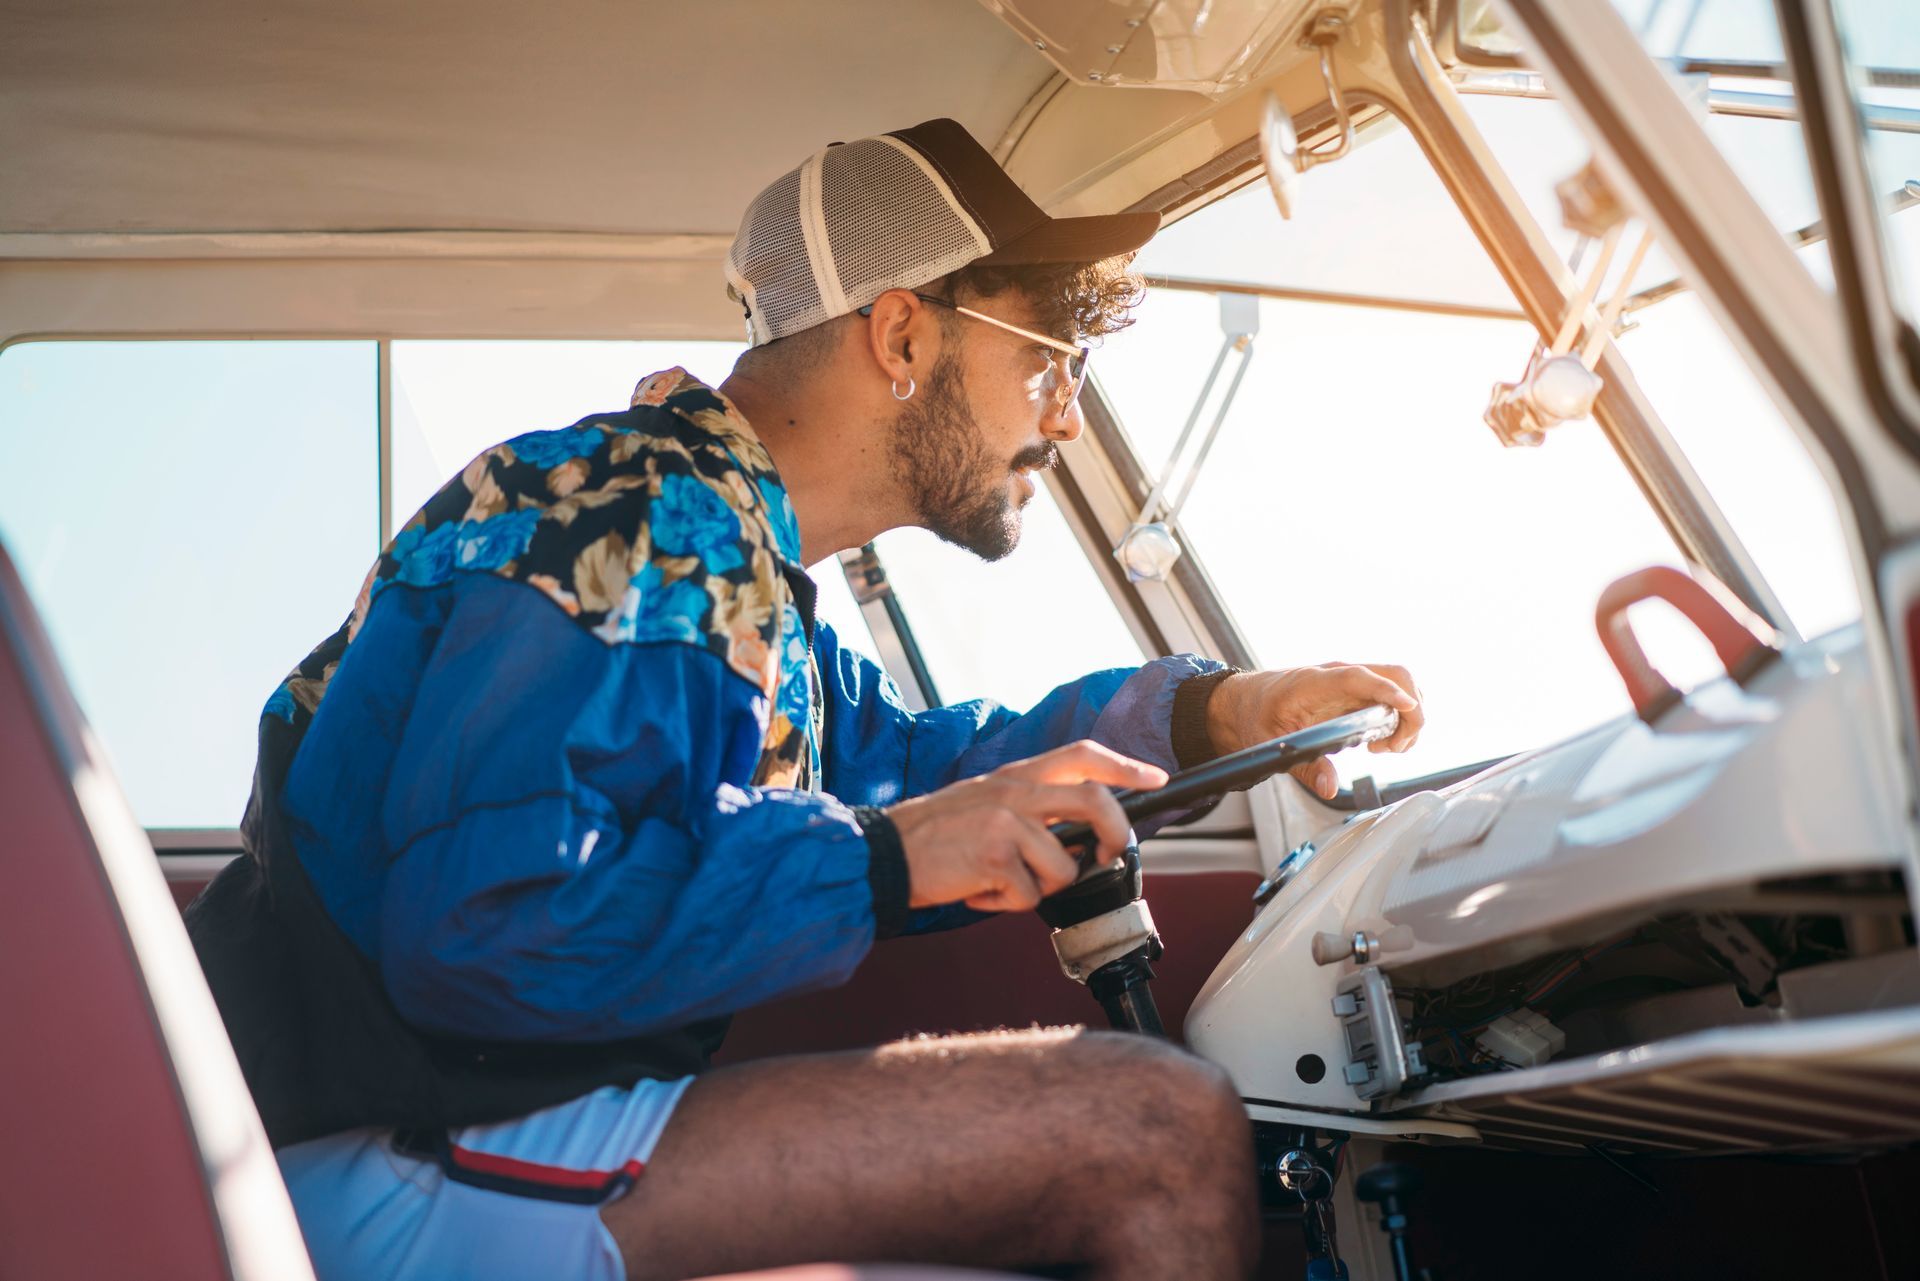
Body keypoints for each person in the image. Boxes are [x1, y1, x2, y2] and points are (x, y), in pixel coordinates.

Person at [187, 118, 1424, 1281]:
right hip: (389, 1142)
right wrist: (878, 867)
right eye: (1053, 358)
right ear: (901, 338)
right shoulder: (632, 518)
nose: (1069, 414)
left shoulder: (738, 570)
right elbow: (488, 931)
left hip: (475, 1111)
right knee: (1161, 1131)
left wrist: (1222, 715)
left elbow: (921, 771)